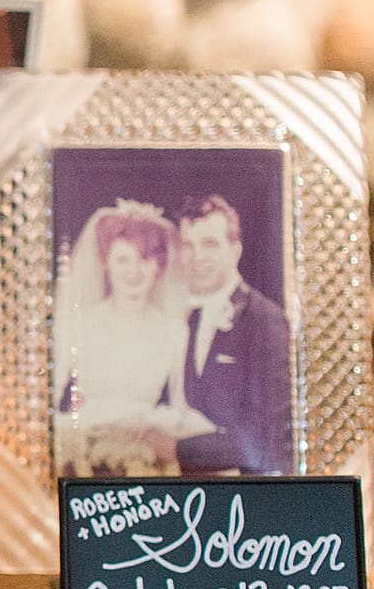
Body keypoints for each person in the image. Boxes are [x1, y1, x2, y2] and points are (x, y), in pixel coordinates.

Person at [53, 201, 210, 476]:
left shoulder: (175, 330)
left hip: (146, 452)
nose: (133, 271)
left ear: (160, 266)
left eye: (145, 260)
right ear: (106, 263)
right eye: (123, 259)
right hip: (85, 448)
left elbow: (180, 405)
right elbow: (52, 400)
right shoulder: (80, 324)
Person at [157, 195, 294, 475]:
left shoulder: (264, 320)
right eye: (187, 245)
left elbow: (263, 437)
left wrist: (176, 449)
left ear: (235, 249)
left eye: (210, 244)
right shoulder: (185, 315)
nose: (197, 258)